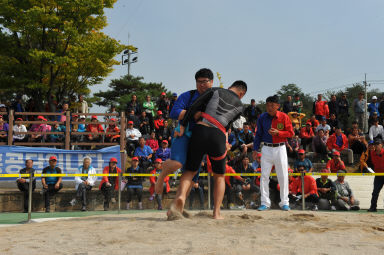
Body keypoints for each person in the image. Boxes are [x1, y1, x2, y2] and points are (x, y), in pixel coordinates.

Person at [169, 80, 247, 219]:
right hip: (218, 136)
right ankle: (216, 212)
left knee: (190, 171)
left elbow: (194, 107)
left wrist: (183, 124)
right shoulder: (240, 106)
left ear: (230, 87)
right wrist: (226, 143)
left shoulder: (215, 90)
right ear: (242, 94)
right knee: (219, 176)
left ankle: (181, 197)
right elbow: (228, 126)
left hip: (201, 129)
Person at [154, 68, 213, 197]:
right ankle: (162, 175)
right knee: (178, 163)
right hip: (183, 133)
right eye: (199, 82)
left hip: (202, 139)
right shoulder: (188, 96)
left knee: (192, 174)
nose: (202, 84)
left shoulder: (215, 98)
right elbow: (174, 113)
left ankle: (178, 206)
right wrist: (194, 114)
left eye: (205, 81)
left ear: (211, 82)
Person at [253, 95, 295, 211]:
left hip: (280, 148)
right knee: (264, 176)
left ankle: (284, 202)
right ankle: (265, 203)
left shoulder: (284, 117)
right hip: (266, 148)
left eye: (272, 105)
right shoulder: (262, 117)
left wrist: (278, 133)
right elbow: (258, 135)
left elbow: (291, 133)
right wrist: (255, 149)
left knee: (283, 176)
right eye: (267, 105)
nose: (269, 107)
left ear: (278, 106)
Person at [367, 139, 384, 212]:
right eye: (375, 144)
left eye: (378, 144)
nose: (376, 146)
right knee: (375, 192)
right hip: (378, 175)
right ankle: (373, 207)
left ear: (381, 145)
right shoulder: (372, 153)